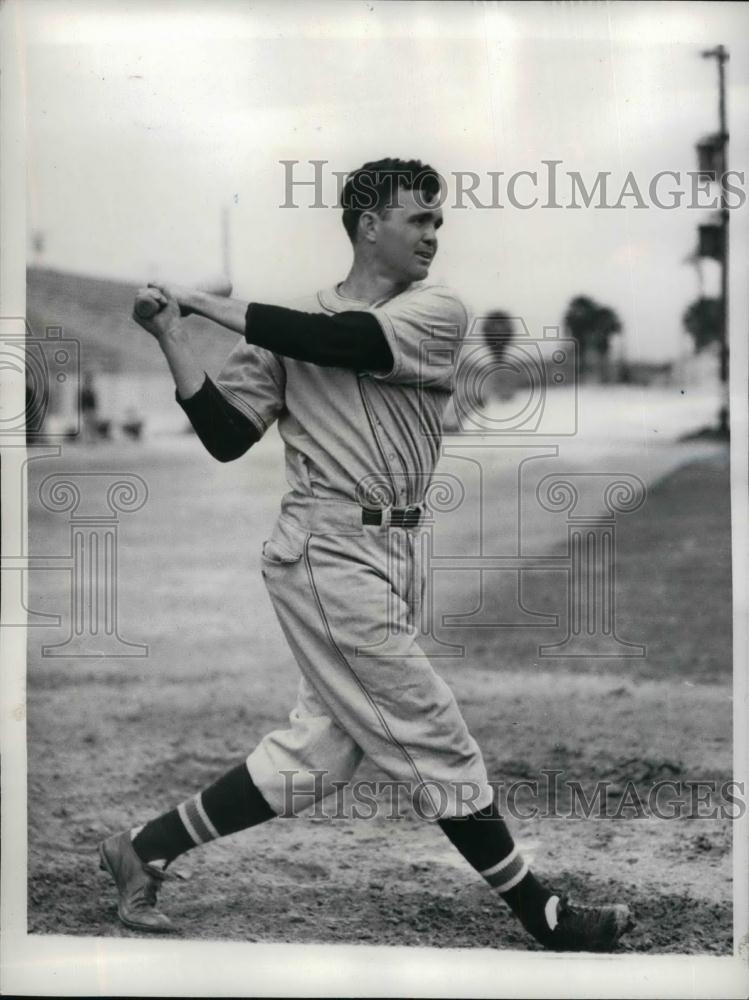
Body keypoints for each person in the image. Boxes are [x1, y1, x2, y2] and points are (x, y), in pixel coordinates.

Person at [99, 158, 633, 950]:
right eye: (417, 219)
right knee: (430, 726)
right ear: (368, 225)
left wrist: (204, 303)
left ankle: (142, 848)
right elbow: (225, 434)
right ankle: (541, 912)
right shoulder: (282, 329)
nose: (432, 234)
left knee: (318, 752)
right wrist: (173, 335)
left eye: (436, 220)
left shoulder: (433, 310)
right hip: (326, 548)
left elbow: (341, 340)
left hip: (397, 549)